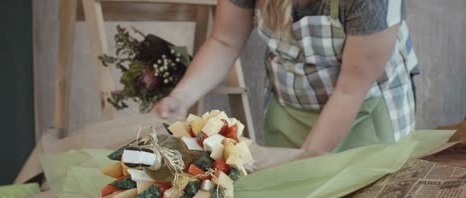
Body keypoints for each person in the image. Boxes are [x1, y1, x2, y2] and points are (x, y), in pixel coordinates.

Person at [154, 0, 419, 156]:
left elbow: (350, 92)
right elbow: (225, 41)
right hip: (287, 114)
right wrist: (182, 96)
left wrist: (304, 165)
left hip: (364, 116)